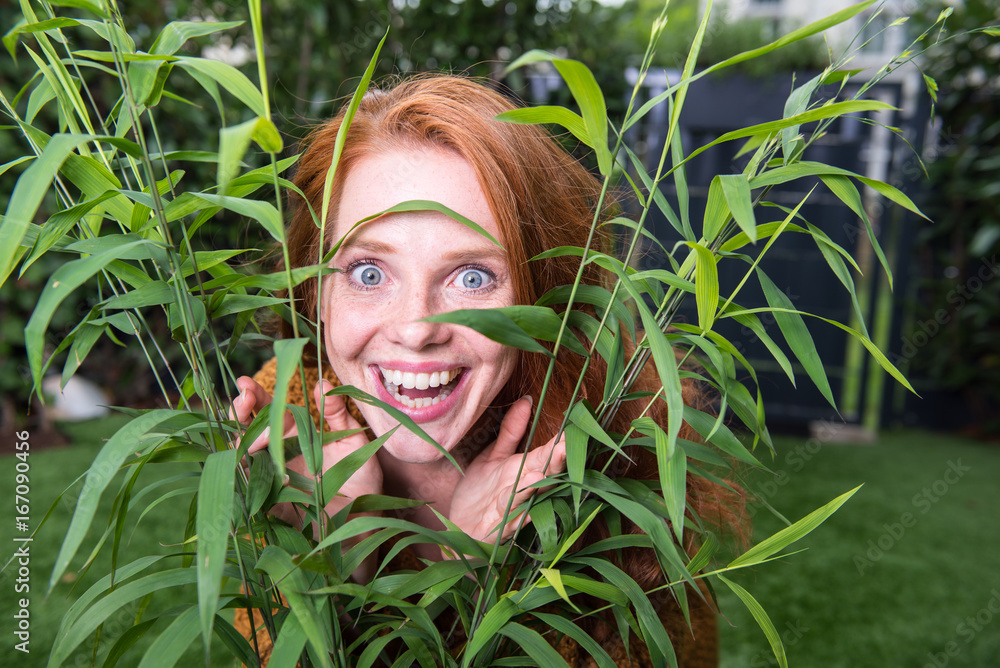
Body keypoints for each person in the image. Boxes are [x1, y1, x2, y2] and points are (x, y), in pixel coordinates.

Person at [231, 74, 744, 667]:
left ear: (542, 294)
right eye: (369, 272)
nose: (417, 327)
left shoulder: (627, 460)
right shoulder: (283, 415)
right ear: (313, 288)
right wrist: (341, 559)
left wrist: (470, 583)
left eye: (472, 277)